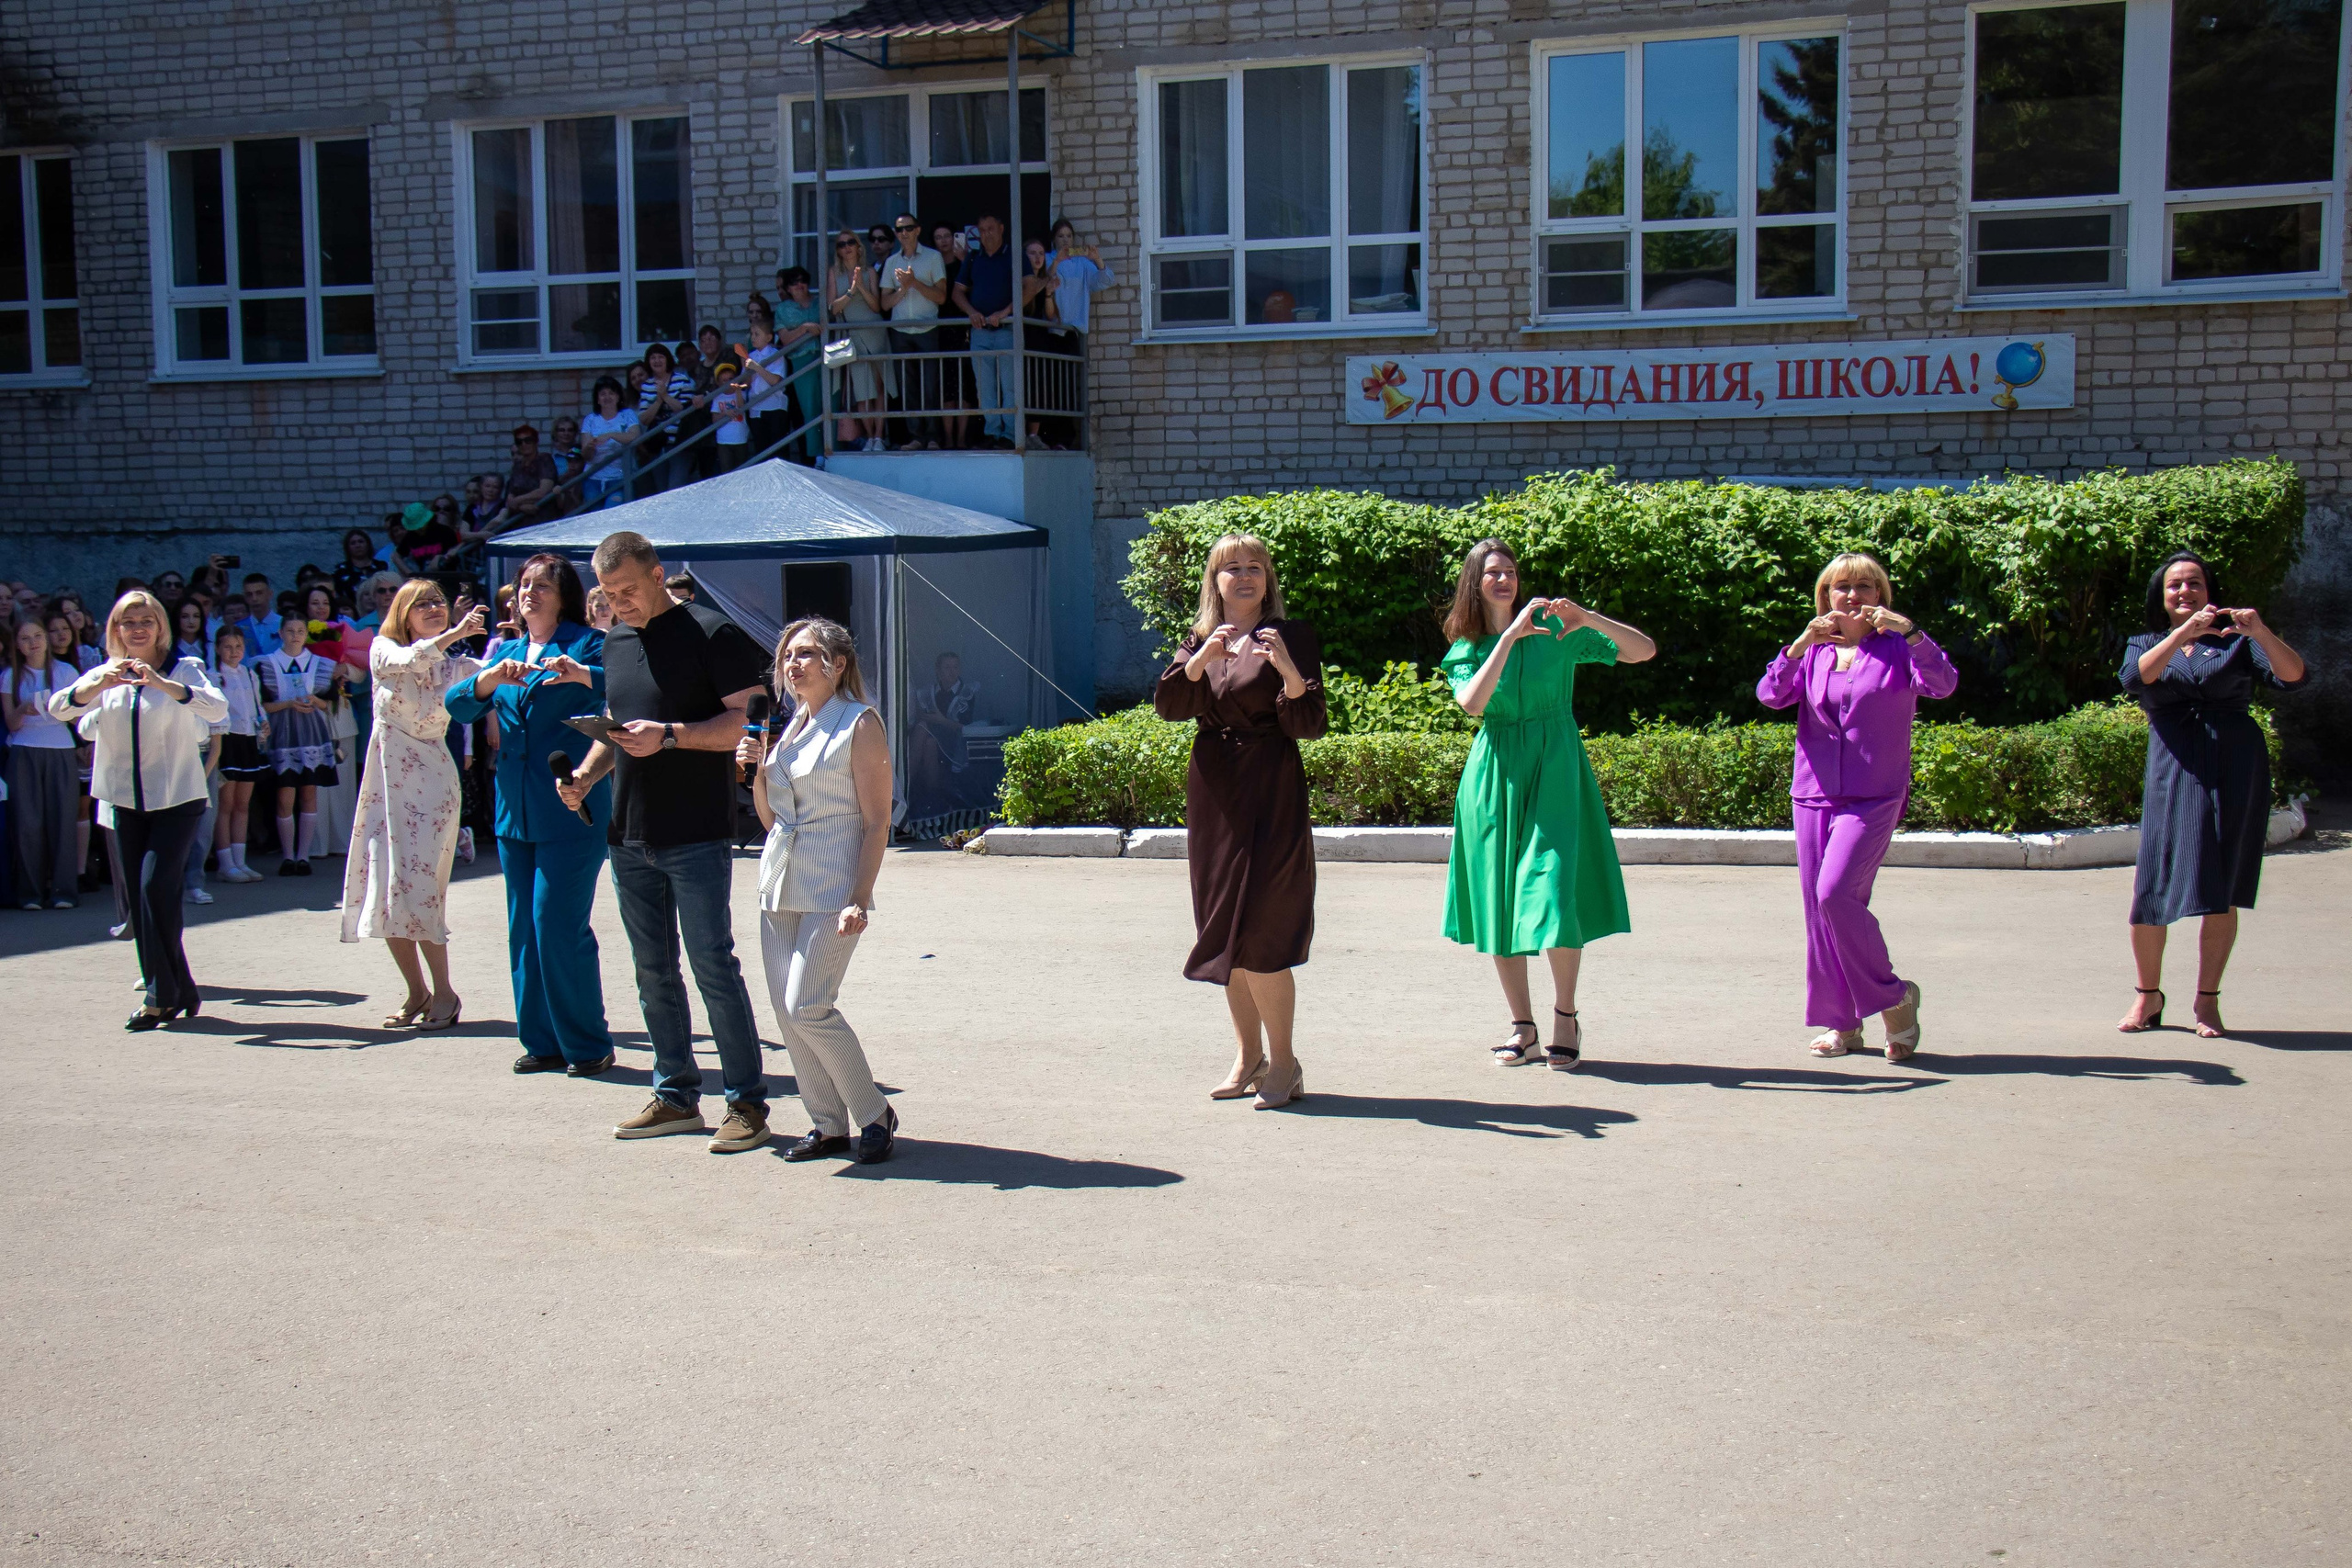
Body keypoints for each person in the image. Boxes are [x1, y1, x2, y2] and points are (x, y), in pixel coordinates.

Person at [555, 531, 773, 1153]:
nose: (619, 603)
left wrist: (672, 735)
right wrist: (586, 776)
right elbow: (621, 729)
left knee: (712, 966)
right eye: (608, 594)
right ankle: (676, 1093)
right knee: (652, 972)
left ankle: (747, 1103)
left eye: (628, 590)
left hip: (695, 830)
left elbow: (746, 720)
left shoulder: (711, 632)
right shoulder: (616, 641)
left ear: (656, 573)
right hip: (629, 832)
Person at [1440, 540, 1657, 1069]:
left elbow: (1641, 651)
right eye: (1492, 573)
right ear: (1475, 582)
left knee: (1555, 893)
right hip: (1495, 778)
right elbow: (1473, 704)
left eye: (1510, 572)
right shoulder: (1467, 646)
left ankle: (1565, 1015)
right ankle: (1523, 1028)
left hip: (1556, 768)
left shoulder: (1560, 632)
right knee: (1500, 904)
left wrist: (1588, 618)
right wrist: (1510, 637)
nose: (1504, 580)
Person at [1756, 551, 1953, 1061]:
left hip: (1874, 794)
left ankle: (1895, 997)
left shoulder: (1898, 649)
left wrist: (1911, 632)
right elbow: (1771, 695)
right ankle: (1841, 1024)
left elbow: (1943, 684)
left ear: (1881, 597)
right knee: (1818, 912)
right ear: (1825, 598)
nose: (1852, 596)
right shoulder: (1816, 652)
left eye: (1865, 587)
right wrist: (1800, 644)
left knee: (1836, 894)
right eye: (1841, 588)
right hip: (1814, 793)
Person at [1152, 535, 1327, 1109]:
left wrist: (1289, 674)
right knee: (1226, 927)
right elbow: (1171, 706)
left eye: (1256, 567)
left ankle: (1285, 1062)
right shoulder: (1201, 638)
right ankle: (1247, 1054)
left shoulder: (1291, 636)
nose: (1245, 577)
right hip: (1216, 795)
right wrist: (1201, 661)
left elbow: (1310, 724)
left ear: (1268, 578)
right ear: (1216, 580)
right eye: (1233, 569)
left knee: (1265, 929)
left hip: (1271, 787)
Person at [2116, 551, 2309, 1039]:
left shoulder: (2238, 644)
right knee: (2153, 884)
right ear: (2161, 598)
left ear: (2209, 591)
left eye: (2194, 584)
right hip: (2173, 769)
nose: (2185, 592)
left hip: (2234, 766)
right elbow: (2137, 678)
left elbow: (2294, 677)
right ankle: (2148, 997)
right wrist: (2183, 633)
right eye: (2175, 586)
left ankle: (2207, 1001)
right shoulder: (2146, 642)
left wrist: (2260, 631)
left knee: (2221, 887)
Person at [735, 616, 899, 1162]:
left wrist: (859, 895)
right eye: (787, 655)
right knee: (786, 1013)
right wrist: (758, 774)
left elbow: (877, 821)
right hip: (779, 880)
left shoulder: (859, 723)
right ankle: (828, 1124)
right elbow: (771, 820)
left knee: (808, 1003)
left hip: (834, 884)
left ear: (838, 664)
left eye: (805, 653)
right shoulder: (786, 731)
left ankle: (873, 1111)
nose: (792, 664)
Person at [446, 553, 615, 1077]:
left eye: (542, 585)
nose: (529, 593)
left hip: (570, 805)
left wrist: (581, 674)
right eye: (523, 585)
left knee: (556, 924)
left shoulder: (587, 643)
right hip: (513, 811)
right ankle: (541, 1041)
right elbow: (457, 705)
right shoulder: (510, 651)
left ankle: (588, 1043)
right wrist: (488, 680)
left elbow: (625, 688)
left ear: (564, 594)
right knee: (524, 929)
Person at [50, 591, 227, 1028]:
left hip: (178, 799)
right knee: (145, 899)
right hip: (124, 802)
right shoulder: (104, 673)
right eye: (129, 622)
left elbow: (219, 708)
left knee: (153, 890)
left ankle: (159, 996)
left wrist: (163, 684)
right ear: (116, 630)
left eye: (147, 620)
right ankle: (177, 989)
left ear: (161, 626)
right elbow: (58, 710)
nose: (138, 628)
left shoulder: (185, 668)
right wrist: (96, 685)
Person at [340, 581, 488, 1030]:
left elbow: (502, 676)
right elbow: (408, 659)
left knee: (420, 888)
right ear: (403, 614)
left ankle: (445, 993)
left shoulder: (459, 665)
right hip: (385, 785)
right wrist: (454, 632)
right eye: (422, 604)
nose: (433, 608)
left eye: (438, 603)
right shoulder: (383, 647)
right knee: (388, 890)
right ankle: (416, 991)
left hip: (432, 786)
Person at [5, 614, 80, 908]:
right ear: (17, 645)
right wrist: (24, 707)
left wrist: (61, 710)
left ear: (46, 639)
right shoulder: (10, 676)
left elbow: (79, 716)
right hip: (24, 750)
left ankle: (64, 892)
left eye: (37, 636)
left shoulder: (66, 672)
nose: (33, 643)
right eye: (25, 638)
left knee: (62, 821)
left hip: (60, 749)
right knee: (27, 822)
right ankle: (30, 894)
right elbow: (11, 724)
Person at [254, 613, 336, 875]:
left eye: (300, 630)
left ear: (306, 634)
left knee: (309, 792)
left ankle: (304, 857)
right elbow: (263, 704)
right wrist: (289, 703)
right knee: (285, 793)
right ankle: (288, 856)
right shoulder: (266, 663)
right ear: (280, 633)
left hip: (311, 732)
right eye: (290, 630)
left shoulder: (320, 663)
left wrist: (313, 700)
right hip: (282, 732)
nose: (295, 635)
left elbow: (329, 704)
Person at [879, 212, 948, 448]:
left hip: (927, 328)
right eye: (899, 230)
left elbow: (941, 296)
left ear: (918, 230)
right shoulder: (891, 262)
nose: (904, 233)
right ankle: (916, 437)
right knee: (908, 388)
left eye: (908, 228)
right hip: (901, 331)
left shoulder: (933, 257)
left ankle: (933, 438)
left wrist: (914, 283)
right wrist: (903, 289)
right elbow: (884, 303)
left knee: (931, 386)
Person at [953, 213, 1020, 449]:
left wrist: (1005, 313)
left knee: (1010, 386)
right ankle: (992, 432)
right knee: (985, 388)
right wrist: (971, 312)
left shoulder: (1014, 255)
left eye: (991, 228)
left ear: (1002, 228)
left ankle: (1010, 435)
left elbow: (1027, 290)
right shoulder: (973, 258)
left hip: (1007, 329)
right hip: (980, 333)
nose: (987, 234)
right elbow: (957, 292)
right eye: (982, 230)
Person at [209, 622, 268, 883]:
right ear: (218, 648)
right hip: (226, 740)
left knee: (243, 804)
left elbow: (256, 705)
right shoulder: (212, 676)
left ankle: (240, 861)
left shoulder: (249, 674)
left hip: (248, 740)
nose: (234, 652)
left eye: (238, 647)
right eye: (228, 647)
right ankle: (225, 863)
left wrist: (263, 721)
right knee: (226, 803)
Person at [828, 231, 889, 451]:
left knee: (879, 386)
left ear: (858, 246)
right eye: (841, 244)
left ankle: (878, 438)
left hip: (874, 332)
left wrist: (861, 285)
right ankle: (869, 436)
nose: (847, 247)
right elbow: (833, 309)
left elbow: (877, 306)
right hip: (851, 334)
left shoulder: (870, 271)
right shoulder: (834, 273)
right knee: (862, 389)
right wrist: (851, 292)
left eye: (851, 242)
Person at [907, 650, 979, 819]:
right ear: (938, 671)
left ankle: (906, 783)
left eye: (955, 667)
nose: (952, 671)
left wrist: (940, 720)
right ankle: (931, 798)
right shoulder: (928, 692)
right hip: (931, 743)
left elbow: (966, 728)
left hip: (954, 747)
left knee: (924, 729)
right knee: (928, 739)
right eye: (947, 667)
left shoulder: (967, 692)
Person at [773, 268, 824, 460]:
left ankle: (833, 449)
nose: (800, 285)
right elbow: (785, 339)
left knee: (831, 405)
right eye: (794, 283)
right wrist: (804, 329)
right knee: (810, 409)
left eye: (803, 281)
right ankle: (816, 456)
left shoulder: (820, 302)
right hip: (801, 360)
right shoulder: (783, 309)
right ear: (787, 288)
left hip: (826, 357)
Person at [634, 343, 695, 492]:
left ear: (667, 359)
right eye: (653, 358)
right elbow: (644, 418)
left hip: (679, 444)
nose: (657, 361)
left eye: (660, 357)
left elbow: (683, 409)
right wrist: (658, 401)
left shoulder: (682, 380)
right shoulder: (647, 385)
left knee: (675, 489)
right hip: (657, 446)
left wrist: (665, 396)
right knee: (662, 493)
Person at [579, 377, 639, 510]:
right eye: (603, 394)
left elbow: (634, 436)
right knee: (596, 519)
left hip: (620, 477)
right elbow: (586, 455)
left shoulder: (627, 414)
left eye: (611, 393)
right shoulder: (590, 419)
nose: (607, 397)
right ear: (597, 399)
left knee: (612, 512)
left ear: (618, 397)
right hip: (593, 478)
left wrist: (610, 435)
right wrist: (589, 447)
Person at [741, 317, 793, 460]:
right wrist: (745, 366)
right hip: (756, 408)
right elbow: (746, 383)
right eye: (751, 334)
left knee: (778, 450)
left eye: (757, 334)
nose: (753, 337)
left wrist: (756, 368)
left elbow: (776, 380)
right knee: (761, 450)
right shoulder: (751, 357)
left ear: (769, 337)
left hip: (774, 406)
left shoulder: (775, 355)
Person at [503, 425, 560, 525]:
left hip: (543, 519)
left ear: (536, 441)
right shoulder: (517, 466)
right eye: (519, 442)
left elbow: (543, 491)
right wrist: (521, 507)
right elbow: (510, 496)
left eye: (528, 440)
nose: (524, 444)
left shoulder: (544, 460)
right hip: (520, 521)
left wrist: (517, 501)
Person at [706, 358, 750, 472]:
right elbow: (714, 419)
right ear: (718, 383)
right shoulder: (717, 398)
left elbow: (741, 406)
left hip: (741, 439)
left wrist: (738, 391)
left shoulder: (742, 394)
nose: (728, 383)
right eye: (724, 380)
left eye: (731, 379)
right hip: (723, 441)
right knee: (727, 470)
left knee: (742, 469)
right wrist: (725, 413)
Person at [332, 529, 380, 608]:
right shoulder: (340, 571)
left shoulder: (381, 567)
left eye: (361, 541)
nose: (357, 545)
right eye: (353, 543)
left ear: (368, 544)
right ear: (347, 548)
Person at [239, 573, 280, 644]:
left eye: (259, 593)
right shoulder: (239, 628)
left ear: (270, 594)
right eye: (249, 594)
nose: (254, 598)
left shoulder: (285, 624)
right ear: (245, 597)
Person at [171, 599, 211, 665]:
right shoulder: (168, 649)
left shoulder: (210, 647)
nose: (191, 621)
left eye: (196, 616)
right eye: (185, 616)